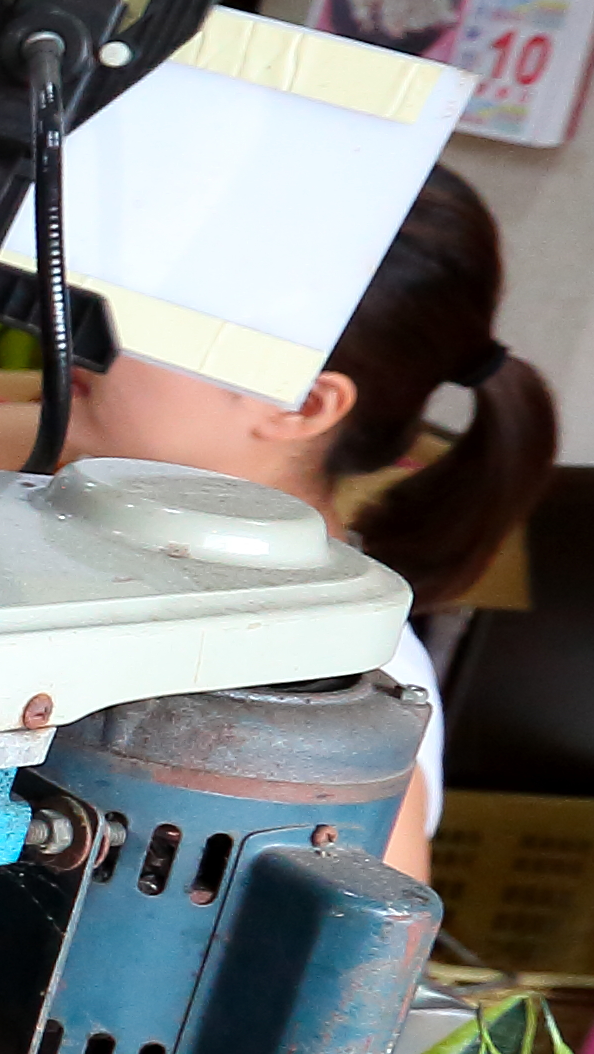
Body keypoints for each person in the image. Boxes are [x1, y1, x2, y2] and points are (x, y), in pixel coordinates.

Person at [61, 165, 553, 869]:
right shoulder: (84, 491)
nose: (92, 318)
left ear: (303, 406)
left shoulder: (338, 687)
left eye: (171, 313)